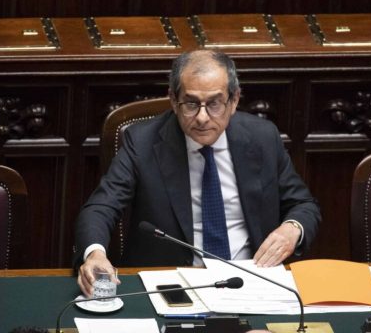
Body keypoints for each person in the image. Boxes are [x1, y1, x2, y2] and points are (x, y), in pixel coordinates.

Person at [75, 49, 321, 297]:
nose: (203, 118)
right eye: (191, 104)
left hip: (250, 281)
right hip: (171, 286)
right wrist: (95, 253)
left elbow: (304, 205)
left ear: (234, 101)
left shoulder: (263, 137)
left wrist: (292, 229)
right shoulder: (142, 142)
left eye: (214, 103)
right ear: (173, 100)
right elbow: (101, 207)